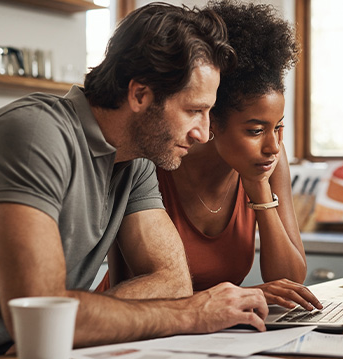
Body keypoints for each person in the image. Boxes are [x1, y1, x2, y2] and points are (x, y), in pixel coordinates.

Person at [0, 3, 269, 359]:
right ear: (140, 95)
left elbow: (171, 281)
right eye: (193, 110)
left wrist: (70, 324)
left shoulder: (136, 161)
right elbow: (42, 315)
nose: (202, 133)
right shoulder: (33, 135)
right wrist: (189, 314)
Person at [96, 0, 322, 312]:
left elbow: (291, 280)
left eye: (278, 128)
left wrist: (258, 190)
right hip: (138, 322)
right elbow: (137, 284)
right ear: (212, 119)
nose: (273, 146)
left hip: (214, 329)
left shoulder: (267, 162)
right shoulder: (157, 158)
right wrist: (246, 295)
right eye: (256, 130)